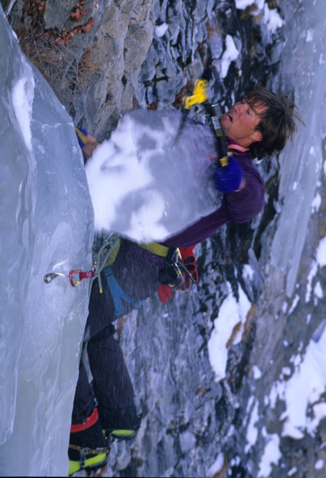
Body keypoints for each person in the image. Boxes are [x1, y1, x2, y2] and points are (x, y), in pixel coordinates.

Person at [68, 89, 300, 475]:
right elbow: (147, 172)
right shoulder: (204, 140)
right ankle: (120, 413)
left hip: (141, 262)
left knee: (71, 330)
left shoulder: (244, 175)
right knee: (96, 328)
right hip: (132, 250)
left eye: (251, 113)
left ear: (256, 135)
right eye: (244, 102)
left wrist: (237, 182)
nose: (239, 106)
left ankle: (86, 440)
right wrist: (98, 151)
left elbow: (248, 203)